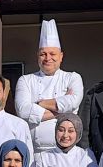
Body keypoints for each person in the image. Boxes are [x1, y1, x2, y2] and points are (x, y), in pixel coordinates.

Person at [15, 19, 84, 152]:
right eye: (43, 54)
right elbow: (23, 111)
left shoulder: (72, 77)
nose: (48, 58)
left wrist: (40, 104)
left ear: (61, 56)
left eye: (52, 54)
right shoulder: (25, 80)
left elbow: (73, 101)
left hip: (66, 151)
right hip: (34, 151)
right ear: (37, 56)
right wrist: (64, 112)